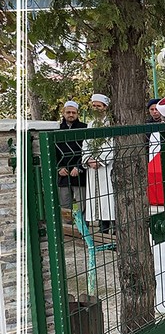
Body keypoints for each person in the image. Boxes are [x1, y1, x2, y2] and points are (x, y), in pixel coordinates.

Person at [83, 93, 116, 234]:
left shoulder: (111, 124)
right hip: (92, 169)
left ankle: (114, 230)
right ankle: (103, 229)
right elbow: (85, 144)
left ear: (105, 107)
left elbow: (112, 144)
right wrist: (88, 159)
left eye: (99, 106)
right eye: (94, 106)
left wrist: (100, 160)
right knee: (96, 199)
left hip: (106, 168)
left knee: (109, 199)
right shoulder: (90, 124)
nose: (96, 108)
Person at [56, 100, 87, 210]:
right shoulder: (57, 129)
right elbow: (54, 151)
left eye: (73, 112)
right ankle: (67, 227)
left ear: (77, 113)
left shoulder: (84, 128)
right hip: (63, 175)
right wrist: (59, 168)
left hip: (80, 174)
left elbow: (87, 150)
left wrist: (79, 166)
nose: (71, 115)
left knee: (83, 206)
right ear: (63, 113)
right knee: (65, 208)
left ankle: (83, 227)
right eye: (68, 112)